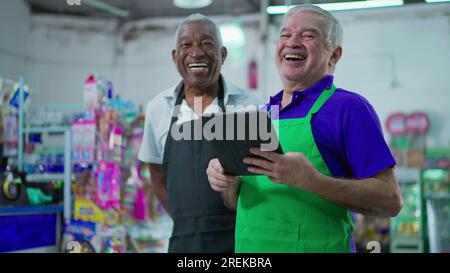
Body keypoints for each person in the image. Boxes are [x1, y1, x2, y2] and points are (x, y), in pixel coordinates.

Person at [206, 5, 402, 253]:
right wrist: (227, 182)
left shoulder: (348, 108)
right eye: (285, 35)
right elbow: (238, 203)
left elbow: (390, 200)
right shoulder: (261, 115)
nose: (292, 42)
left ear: (334, 55)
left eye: (308, 35)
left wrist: (312, 181)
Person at [137, 14, 261, 253]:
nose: (196, 52)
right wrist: (185, 220)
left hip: (240, 241)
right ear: (175, 57)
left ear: (222, 55)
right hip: (183, 242)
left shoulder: (249, 105)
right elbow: (156, 173)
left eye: (207, 44)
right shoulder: (158, 108)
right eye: (186, 45)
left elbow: (261, 177)